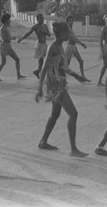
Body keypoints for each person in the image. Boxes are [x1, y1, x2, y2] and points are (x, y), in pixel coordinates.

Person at [35, 21, 88, 158]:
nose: (70, 35)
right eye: (68, 32)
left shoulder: (60, 46)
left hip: (60, 83)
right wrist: (40, 88)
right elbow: (44, 67)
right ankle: (74, 149)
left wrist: (77, 76)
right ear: (63, 33)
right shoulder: (52, 47)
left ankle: (43, 141)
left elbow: (63, 67)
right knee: (73, 114)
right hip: (55, 85)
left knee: (55, 114)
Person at [17, 13, 51, 79]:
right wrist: (21, 39)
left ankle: (38, 71)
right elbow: (28, 33)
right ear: (37, 19)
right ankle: (40, 72)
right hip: (40, 45)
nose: (42, 20)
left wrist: (44, 32)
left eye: (43, 18)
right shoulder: (36, 26)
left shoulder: (45, 26)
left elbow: (49, 34)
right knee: (41, 60)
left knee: (46, 60)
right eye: (41, 19)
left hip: (45, 45)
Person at [0, 13, 26, 81]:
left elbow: (7, 37)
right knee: (3, 62)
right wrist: (12, 38)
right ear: (6, 20)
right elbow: (4, 39)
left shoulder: (6, 27)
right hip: (4, 47)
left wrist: (11, 38)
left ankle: (18, 75)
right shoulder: (2, 28)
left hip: (8, 46)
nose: (10, 20)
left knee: (17, 59)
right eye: (9, 19)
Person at [65, 16, 90, 82]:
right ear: (67, 22)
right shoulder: (68, 29)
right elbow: (73, 39)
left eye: (72, 20)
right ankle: (63, 78)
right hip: (70, 47)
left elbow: (74, 38)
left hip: (74, 47)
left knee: (81, 61)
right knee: (66, 64)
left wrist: (80, 43)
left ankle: (83, 77)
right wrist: (81, 44)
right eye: (69, 21)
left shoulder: (71, 29)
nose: (71, 22)